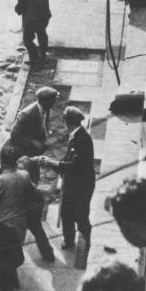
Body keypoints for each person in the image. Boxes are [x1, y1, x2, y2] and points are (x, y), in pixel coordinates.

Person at [38, 106, 96, 251]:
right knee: (66, 213)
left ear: (67, 121)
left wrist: (52, 163)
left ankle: (89, 242)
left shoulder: (82, 139)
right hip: (73, 184)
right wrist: (52, 163)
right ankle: (69, 240)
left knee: (80, 215)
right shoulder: (76, 135)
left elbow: (75, 165)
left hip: (82, 186)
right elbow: (67, 159)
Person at [10, 86, 58, 180]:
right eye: (53, 100)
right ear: (45, 101)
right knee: (26, 173)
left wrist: (45, 135)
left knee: (33, 170)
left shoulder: (46, 108)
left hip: (33, 150)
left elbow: (44, 123)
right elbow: (14, 134)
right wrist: (33, 142)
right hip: (23, 149)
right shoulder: (26, 114)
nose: (54, 102)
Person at [15, 0, 52, 67]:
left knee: (27, 39)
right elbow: (46, 3)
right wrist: (47, 16)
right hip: (42, 19)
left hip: (30, 20)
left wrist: (17, 10)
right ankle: (43, 57)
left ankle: (34, 57)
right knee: (42, 36)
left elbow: (20, 7)